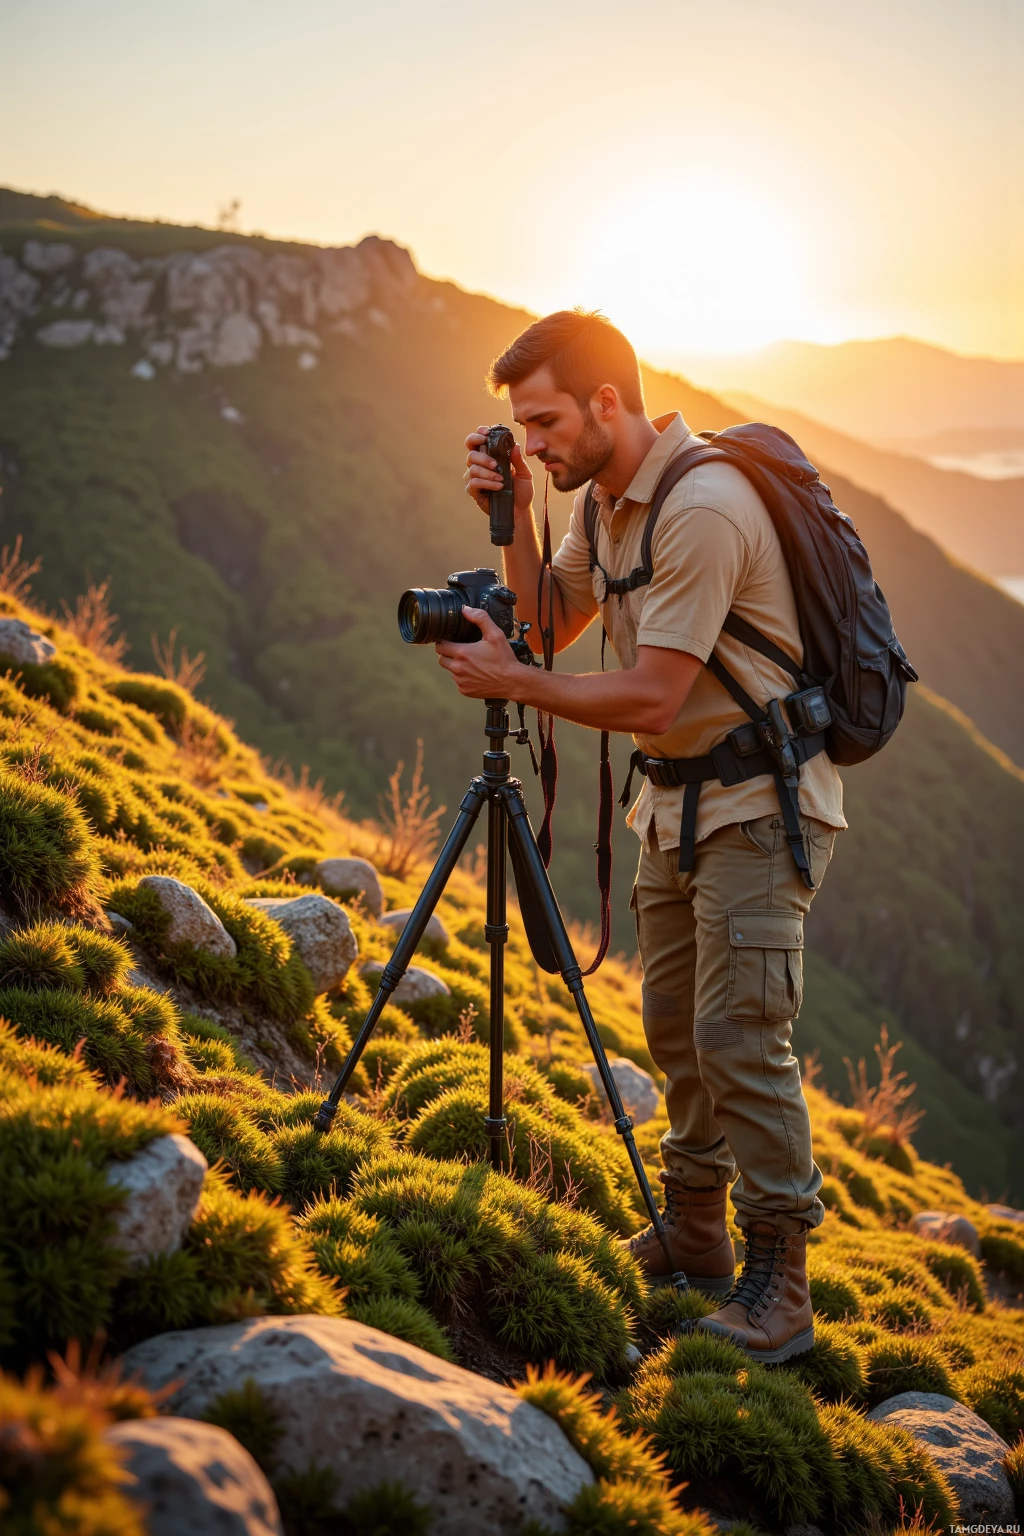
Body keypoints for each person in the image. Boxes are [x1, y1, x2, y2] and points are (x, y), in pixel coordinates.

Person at [437, 309, 845, 1364]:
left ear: (606, 403)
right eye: (522, 430)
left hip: (761, 806)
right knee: (674, 1028)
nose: (530, 443)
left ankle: (780, 1288)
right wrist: (519, 512)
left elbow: (657, 695)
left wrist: (519, 686)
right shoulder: (608, 503)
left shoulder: (702, 506)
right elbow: (548, 622)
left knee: (740, 1042)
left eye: (542, 425)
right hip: (671, 806)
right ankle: (700, 1235)